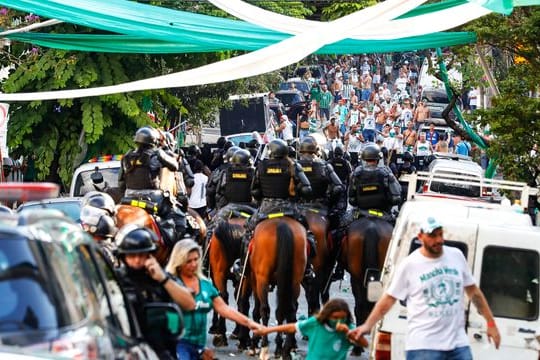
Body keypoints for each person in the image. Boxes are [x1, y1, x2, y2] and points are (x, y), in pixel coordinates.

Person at [349, 216, 501, 359]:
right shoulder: (410, 265)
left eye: (440, 234)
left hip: (458, 345)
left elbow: (474, 292)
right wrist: (367, 325)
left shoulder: (456, 256)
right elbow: (388, 299)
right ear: (421, 237)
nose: (439, 240)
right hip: (423, 347)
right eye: (433, 236)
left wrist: (491, 323)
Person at [166, 239, 262, 359]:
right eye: (188, 261)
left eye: (196, 259)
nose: (194, 264)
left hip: (199, 346)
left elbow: (223, 308)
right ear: (178, 262)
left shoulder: (205, 285)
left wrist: (249, 323)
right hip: (177, 345)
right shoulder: (170, 284)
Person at [114, 225, 196, 359]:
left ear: (150, 255)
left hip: (160, 349)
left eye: (141, 255)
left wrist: (162, 279)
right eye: (132, 255)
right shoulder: (115, 280)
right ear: (123, 256)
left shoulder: (161, 277)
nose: (137, 260)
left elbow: (190, 304)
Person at [241, 139, 315, 279]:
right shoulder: (293, 165)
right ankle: (308, 267)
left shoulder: (262, 166)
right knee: (308, 235)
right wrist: (297, 191)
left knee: (247, 233)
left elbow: (254, 191)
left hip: (266, 209)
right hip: (290, 209)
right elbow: (307, 188)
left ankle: (243, 266)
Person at [118, 126, 187, 245]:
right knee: (179, 218)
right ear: (153, 142)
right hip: (153, 198)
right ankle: (173, 248)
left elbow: (120, 183)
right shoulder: (156, 156)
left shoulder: (126, 157)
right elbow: (175, 166)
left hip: (128, 198)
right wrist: (162, 153)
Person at [254, 298, 357, 360]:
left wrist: (348, 332)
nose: (338, 321)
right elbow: (292, 327)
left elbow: (364, 343)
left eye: (342, 318)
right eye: (335, 318)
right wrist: (267, 330)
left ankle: (310, 270)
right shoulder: (316, 323)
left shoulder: (348, 327)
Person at [349, 144, 401, 215]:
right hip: (383, 214)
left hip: (362, 213)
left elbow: (352, 200)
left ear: (364, 158)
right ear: (378, 159)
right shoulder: (386, 173)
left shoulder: (356, 174)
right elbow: (396, 198)